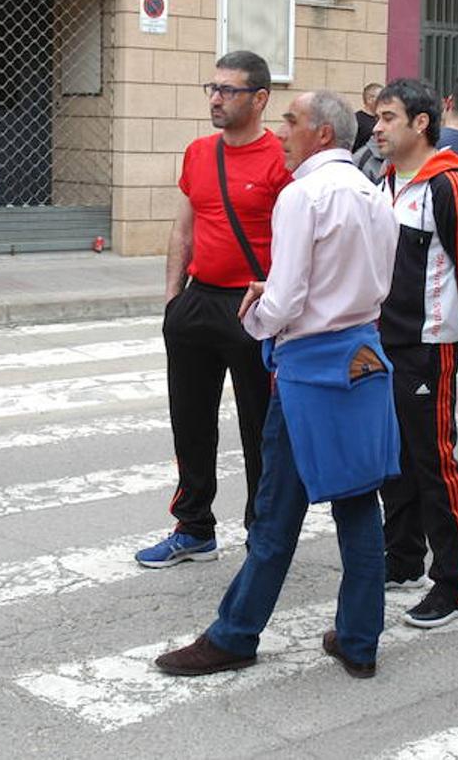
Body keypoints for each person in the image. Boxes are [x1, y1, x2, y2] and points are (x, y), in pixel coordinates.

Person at [154, 90, 399, 679]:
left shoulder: (303, 195)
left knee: (276, 510)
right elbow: (378, 283)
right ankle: (359, 639)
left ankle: (236, 633)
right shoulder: (376, 194)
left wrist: (255, 318)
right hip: (362, 353)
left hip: (310, 363)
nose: (282, 132)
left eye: (291, 122)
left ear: (321, 134)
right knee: (358, 501)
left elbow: (285, 298)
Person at [136, 51, 292, 568]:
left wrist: (278, 298)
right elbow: (183, 228)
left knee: (258, 429)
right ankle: (194, 527)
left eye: (229, 90)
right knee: (190, 421)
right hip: (197, 301)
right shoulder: (199, 152)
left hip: (253, 304)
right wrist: (171, 301)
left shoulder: (280, 159)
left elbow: (296, 239)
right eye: (213, 88)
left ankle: (261, 533)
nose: (216, 98)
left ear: (260, 98)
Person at [376, 78, 458, 628]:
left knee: (433, 462)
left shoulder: (449, 187)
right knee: (392, 461)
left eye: (388, 117)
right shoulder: (387, 180)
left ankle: (455, 583)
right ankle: (401, 560)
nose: (377, 127)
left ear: (421, 123)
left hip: (428, 347)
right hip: (383, 342)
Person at [352, 82, 382, 153]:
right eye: (381, 97)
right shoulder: (355, 120)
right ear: (369, 99)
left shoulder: (381, 120)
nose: (384, 100)